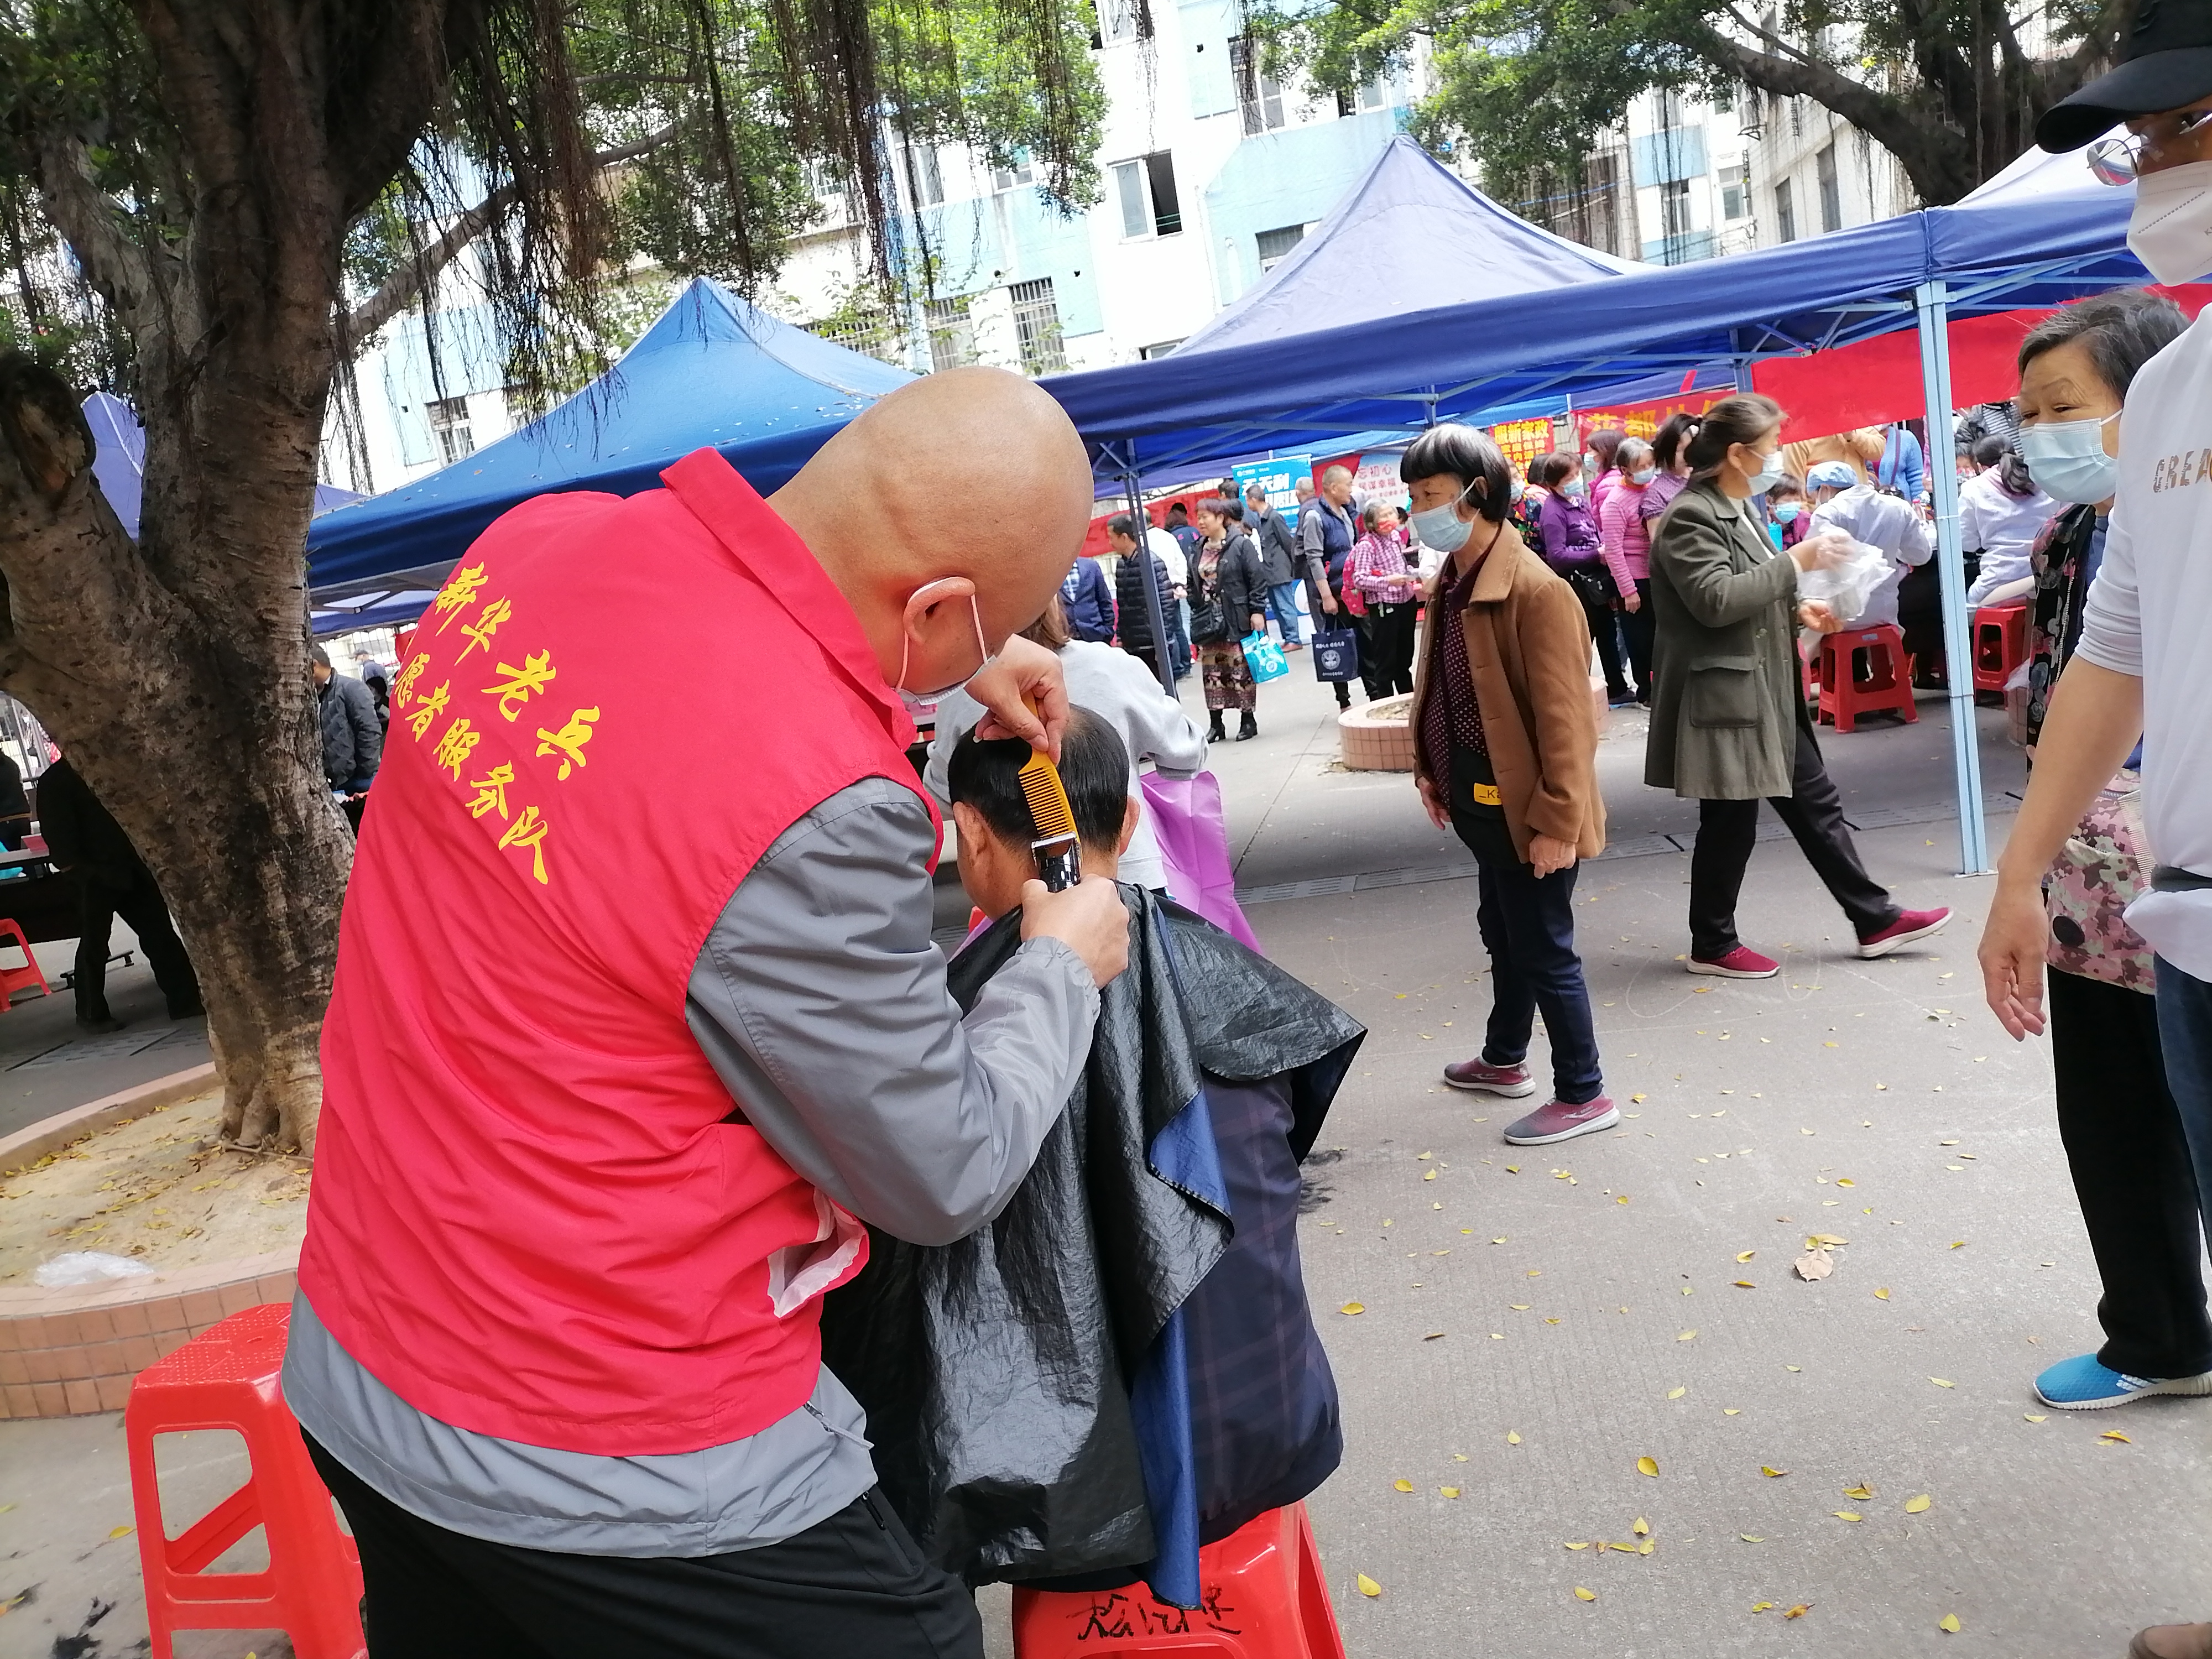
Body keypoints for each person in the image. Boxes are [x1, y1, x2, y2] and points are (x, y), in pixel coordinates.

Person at [285, 367, 1137, 1659]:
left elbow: (675, 706)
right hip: (607, 1433)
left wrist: (955, 663)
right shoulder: (816, 806)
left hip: (366, 1354)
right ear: (933, 607)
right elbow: (941, 1163)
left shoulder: (535, 547)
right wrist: (1058, 966)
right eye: (989, 625)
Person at [1983, 30, 2212, 1652]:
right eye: (2142, 140)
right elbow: (2110, 657)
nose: (2154, 169)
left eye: (2185, 124)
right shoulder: (2179, 390)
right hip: (2191, 916)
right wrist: (2017, 874)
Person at [1994, 292, 2205, 1423]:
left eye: (2063, 407)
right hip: (2094, 867)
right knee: (2116, 1107)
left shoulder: (2176, 506)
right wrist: (2022, 870)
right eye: (2027, 413)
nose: (2041, 434)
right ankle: (2158, 1332)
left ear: (2151, 396)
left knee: (2157, 1104)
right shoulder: (2072, 535)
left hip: (2162, 860)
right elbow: (2093, 678)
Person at [1645, 393, 1950, 979]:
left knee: (1814, 802)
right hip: (1728, 695)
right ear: (1738, 454)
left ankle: (1874, 917)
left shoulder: (1738, 506)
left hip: (1765, 687)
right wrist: (1796, 563)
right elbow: (1714, 600)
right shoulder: (1692, 515)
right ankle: (1713, 942)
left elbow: (1750, 591)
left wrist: (1797, 610)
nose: (1778, 457)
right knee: (1731, 821)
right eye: (1770, 446)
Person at [1404, 425, 1612, 1145]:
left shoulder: (1536, 590)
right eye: (1414, 498)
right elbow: (1441, 689)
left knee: (1544, 947)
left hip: (1532, 809)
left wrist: (1557, 821)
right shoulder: (1453, 580)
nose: (1419, 512)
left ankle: (1584, 1092)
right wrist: (1431, 771)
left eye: (1430, 496)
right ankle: (1503, 1058)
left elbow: (1567, 725)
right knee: (1504, 931)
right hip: (1480, 797)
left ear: (1479, 494)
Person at [926, 598, 1208, 894]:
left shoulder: (962, 693)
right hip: (1132, 881)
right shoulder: (1113, 667)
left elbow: (941, 795)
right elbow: (1188, 754)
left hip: (1009, 894)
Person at [35, 753, 202, 1034]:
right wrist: (76, 869)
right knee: (95, 944)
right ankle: (91, 1013)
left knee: (159, 934)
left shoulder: (111, 766)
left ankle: (184, 1000)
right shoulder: (58, 780)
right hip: (93, 874)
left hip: (129, 865)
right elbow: (58, 833)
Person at [1530, 450, 1633, 706]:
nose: (1577, 480)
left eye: (1577, 474)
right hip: (1577, 586)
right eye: (1570, 477)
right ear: (1554, 482)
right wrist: (1594, 554)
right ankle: (1577, 694)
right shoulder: (1553, 512)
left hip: (1596, 582)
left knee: (1607, 634)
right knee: (1582, 640)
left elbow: (1593, 532)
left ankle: (1616, 688)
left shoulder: (1578, 501)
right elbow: (1557, 556)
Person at [1804, 457, 1934, 630]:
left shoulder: (1828, 513)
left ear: (1825, 489)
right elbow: (1921, 556)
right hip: (1884, 614)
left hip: (1840, 617)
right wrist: (1892, 551)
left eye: (1814, 497)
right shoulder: (1899, 506)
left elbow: (1816, 568)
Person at [1190, 497, 1267, 743]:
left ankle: (1248, 720)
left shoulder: (1240, 545)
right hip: (1209, 623)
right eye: (1199, 518)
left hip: (1235, 618)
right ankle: (1216, 724)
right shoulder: (1198, 548)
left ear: (1220, 518)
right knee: (1212, 674)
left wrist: (1257, 611)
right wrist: (1194, 601)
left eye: (1205, 517)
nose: (1201, 522)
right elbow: (1193, 581)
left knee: (1240, 671)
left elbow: (1257, 579)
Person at [1955, 435, 2054, 608]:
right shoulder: (2043, 479)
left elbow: (1967, 544)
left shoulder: (1973, 488)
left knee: (1965, 607)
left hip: (1996, 587)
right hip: (2046, 582)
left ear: (1980, 466)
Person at [1598, 436, 1658, 703]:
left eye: (1650, 464)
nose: (1647, 470)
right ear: (1624, 470)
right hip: (1634, 579)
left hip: (1656, 575)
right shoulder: (1615, 502)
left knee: (1658, 636)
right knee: (1639, 639)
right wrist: (1628, 591)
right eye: (1640, 466)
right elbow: (1613, 550)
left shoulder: (1653, 488)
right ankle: (1647, 692)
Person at [1301, 466, 1362, 712]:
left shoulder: (1347, 511)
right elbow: (1314, 559)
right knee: (1337, 644)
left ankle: (1374, 695)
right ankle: (1344, 701)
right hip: (1334, 592)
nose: (1351, 490)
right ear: (1334, 488)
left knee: (1365, 643)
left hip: (1354, 591)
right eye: (1348, 484)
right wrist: (1327, 596)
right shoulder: (1314, 517)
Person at [1347, 499, 1418, 698]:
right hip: (1384, 606)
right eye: (1383, 516)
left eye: (1391, 514)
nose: (1389, 519)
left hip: (1406, 601)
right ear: (1371, 523)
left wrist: (1413, 574)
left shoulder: (1395, 537)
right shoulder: (1367, 545)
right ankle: (1384, 703)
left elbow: (1401, 565)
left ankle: (1408, 701)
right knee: (1386, 661)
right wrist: (1387, 581)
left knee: (1405, 659)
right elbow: (1360, 579)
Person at [313, 644, 382, 831]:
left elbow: (369, 730)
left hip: (360, 780)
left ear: (313, 665)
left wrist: (365, 772)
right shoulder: (315, 695)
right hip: (336, 784)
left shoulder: (351, 688)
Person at [1107, 513, 1177, 680]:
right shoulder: (1122, 564)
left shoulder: (1151, 563)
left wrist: (1163, 643)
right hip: (1133, 643)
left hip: (1152, 643)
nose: (1110, 543)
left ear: (1124, 537)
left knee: (1162, 687)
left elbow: (1166, 605)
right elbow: (1123, 606)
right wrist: (1121, 637)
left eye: (1112, 537)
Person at [1243, 482, 1305, 651]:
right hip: (1267, 572)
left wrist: (1293, 565)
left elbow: (1287, 542)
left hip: (1279, 569)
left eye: (1247, 500)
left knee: (1285, 606)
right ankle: (1288, 638)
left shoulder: (1274, 517)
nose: (1247, 504)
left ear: (1254, 499)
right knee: (1278, 608)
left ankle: (1294, 639)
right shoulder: (1259, 519)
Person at [1142, 511, 1194, 678]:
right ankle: (1185, 662)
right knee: (1177, 626)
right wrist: (1180, 583)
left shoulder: (1143, 541)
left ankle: (1177, 666)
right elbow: (1180, 560)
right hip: (1173, 586)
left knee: (1167, 629)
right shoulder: (1167, 536)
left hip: (1157, 588)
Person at [1639, 412, 1697, 534]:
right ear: (1666, 452)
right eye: (1680, 450)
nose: (1687, 455)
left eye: (1690, 447)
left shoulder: (1702, 474)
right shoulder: (1656, 494)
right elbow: (1657, 539)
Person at [1057, 554, 1116, 643]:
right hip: (1065, 637)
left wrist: (1108, 630)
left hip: (1095, 634)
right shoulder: (1051, 573)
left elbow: (1105, 601)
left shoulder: (1091, 566)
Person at [1874, 421, 1927, 503]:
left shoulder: (1907, 439)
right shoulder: (1855, 441)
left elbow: (1916, 479)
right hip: (1865, 506)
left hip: (1900, 505)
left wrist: (1920, 504)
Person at [1583, 425, 1626, 519]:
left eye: (1590, 451)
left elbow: (1611, 522)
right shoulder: (1617, 477)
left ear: (1604, 452)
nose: (1587, 455)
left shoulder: (1608, 485)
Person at [1763, 474, 1810, 552]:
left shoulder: (1805, 521)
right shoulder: (1761, 522)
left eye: (1797, 500)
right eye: (1787, 501)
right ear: (1769, 501)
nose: (1793, 505)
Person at [0, 749, 30, 850]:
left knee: (9, 857)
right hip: (22, 816)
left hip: (4, 818)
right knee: (25, 854)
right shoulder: (11, 763)